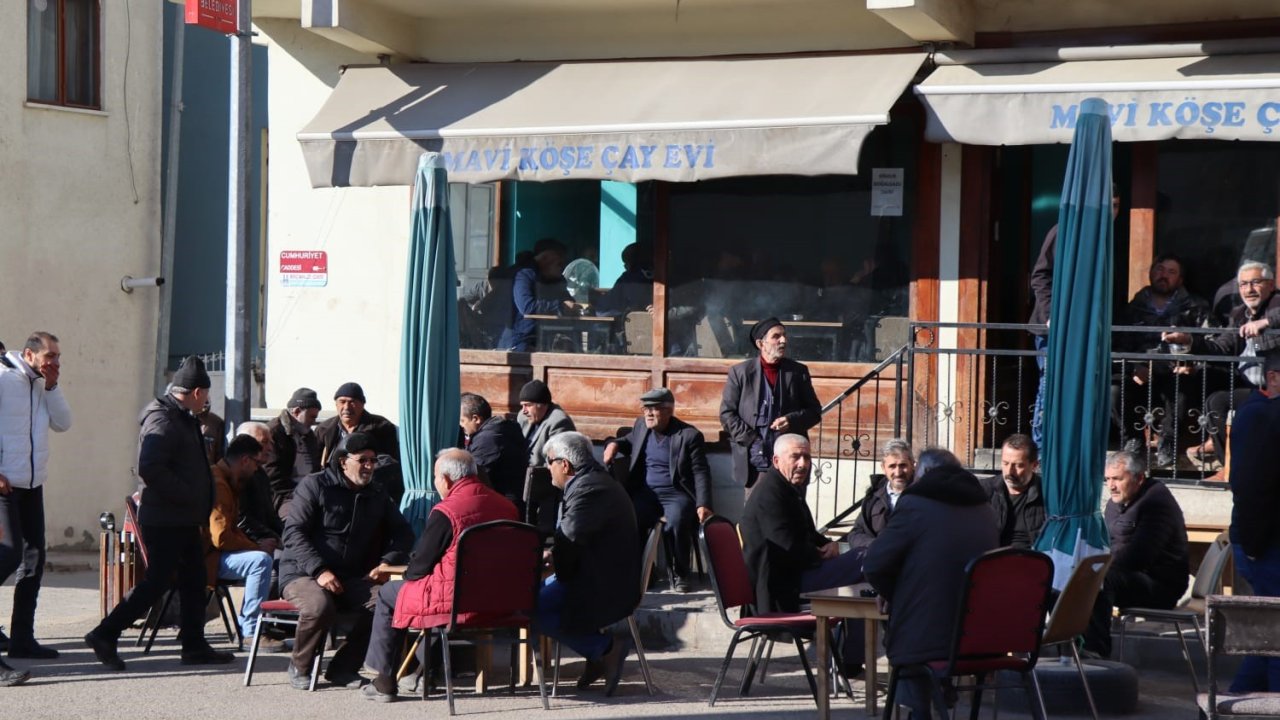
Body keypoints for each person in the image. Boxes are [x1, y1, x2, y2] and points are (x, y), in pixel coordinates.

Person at [85, 356, 235, 671]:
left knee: (195, 580)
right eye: (206, 394)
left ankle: (194, 645)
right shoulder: (164, 419)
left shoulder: (183, 416)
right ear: (196, 392)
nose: (207, 400)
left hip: (183, 518)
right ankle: (105, 633)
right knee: (156, 582)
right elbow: (150, 468)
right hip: (166, 519)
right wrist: (188, 495)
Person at [360, 449, 519, 702]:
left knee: (390, 593)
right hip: (501, 602)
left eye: (435, 477)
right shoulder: (507, 507)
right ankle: (424, 672)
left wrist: (409, 571)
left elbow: (419, 567)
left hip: (456, 601)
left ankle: (384, 680)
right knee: (429, 595)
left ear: (445, 479)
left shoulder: (448, 510)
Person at [862, 449, 1000, 719]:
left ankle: (918, 713)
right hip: (981, 637)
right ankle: (938, 697)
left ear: (922, 474)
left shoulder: (916, 504)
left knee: (910, 630)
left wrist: (893, 593)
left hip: (928, 640)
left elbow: (875, 564)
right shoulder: (985, 508)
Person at [279, 432, 414, 689]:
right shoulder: (315, 485)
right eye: (363, 460)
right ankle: (301, 665)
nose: (369, 466)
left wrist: (386, 563)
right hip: (303, 572)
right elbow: (293, 532)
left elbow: (403, 533)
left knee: (387, 603)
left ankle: (343, 668)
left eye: (373, 461)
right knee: (319, 605)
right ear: (343, 461)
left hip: (351, 576)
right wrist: (319, 570)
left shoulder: (376, 493)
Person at [741, 433, 869, 674]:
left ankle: (852, 660)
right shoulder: (770, 493)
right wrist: (829, 552)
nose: (803, 464)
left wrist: (830, 545)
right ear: (776, 460)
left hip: (797, 574)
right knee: (865, 559)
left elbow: (808, 534)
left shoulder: (788, 488)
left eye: (807, 457)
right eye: (796, 457)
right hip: (783, 587)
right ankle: (859, 658)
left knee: (863, 580)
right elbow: (786, 547)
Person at [536, 432, 638, 695]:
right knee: (532, 595)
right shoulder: (590, 482)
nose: (547, 468)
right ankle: (596, 655)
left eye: (549, 462)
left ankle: (605, 649)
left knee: (530, 608)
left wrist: (548, 562)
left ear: (565, 465)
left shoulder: (589, 489)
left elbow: (569, 542)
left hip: (604, 582)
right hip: (595, 571)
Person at [1164, 261, 1280, 468]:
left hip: (1274, 387)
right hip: (1250, 386)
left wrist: (1266, 323)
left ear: (1271, 285)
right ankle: (1229, 463)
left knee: (1224, 403)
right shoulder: (1238, 314)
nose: (1249, 290)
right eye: (1243, 284)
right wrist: (1189, 340)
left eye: (1255, 283)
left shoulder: (1276, 303)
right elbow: (1221, 347)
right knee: (1205, 387)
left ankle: (1247, 466)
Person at [1030, 186, 1121, 447]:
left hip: (1088, 329)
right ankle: (1042, 447)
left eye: (1115, 207)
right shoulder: (1064, 231)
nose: (1111, 213)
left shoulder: (1106, 238)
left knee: (1082, 389)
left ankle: (1073, 445)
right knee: (1050, 387)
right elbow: (1040, 275)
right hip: (1054, 330)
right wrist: (1051, 315)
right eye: (1107, 206)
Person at [603, 388, 713, 592]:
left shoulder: (688, 435)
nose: (648, 414)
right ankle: (645, 571)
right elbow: (625, 442)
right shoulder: (641, 426)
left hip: (676, 494)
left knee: (677, 520)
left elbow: (701, 471)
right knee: (631, 518)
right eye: (645, 408)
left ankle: (681, 573)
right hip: (646, 493)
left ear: (669, 410)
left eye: (654, 409)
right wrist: (613, 444)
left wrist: (704, 503)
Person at [1083, 450, 1190, 657]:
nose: (1111, 486)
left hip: (1159, 586)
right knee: (1073, 576)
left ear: (1139, 478)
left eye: (1117, 479)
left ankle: (1096, 652)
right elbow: (1107, 543)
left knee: (1101, 579)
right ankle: (1067, 644)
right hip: (1127, 575)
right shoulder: (1116, 502)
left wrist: (1098, 568)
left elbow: (1139, 557)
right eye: (1107, 479)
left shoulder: (1157, 503)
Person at [1110, 254, 1211, 468]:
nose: (1163, 275)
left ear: (1181, 279)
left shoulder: (1196, 307)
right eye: (1159, 269)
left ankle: (1168, 443)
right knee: (1113, 391)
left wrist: (1193, 366)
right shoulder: (1132, 308)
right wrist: (1132, 367)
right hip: (1140, 374)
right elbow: (1115, 346)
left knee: (1181, 387)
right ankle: (1133, 441)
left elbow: (1214, 343)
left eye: (1171, 271)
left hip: (1175, 373)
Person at [1226, 350, 1280, 692]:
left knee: (1267, 639)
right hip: (1264, 543)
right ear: (1273, 377)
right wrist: (1256, 546)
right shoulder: (1259, 415)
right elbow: (1249, 486)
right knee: (1274, 638)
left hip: (1262, 541)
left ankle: (1235, 701)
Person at [719, 317, 822, 491]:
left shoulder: (797, 372)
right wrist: (751, 439)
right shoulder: (740, 373)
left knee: (791, 513)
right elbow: (727, 414)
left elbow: (814, 412)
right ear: (761, 343)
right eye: (776, 336)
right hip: (755, 461)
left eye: (784, 336)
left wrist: (792, 420)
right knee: (758, 513)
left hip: (790, 462)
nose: (783, 340)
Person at [205, 434, 276, 648]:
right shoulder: (219, 484)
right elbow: (221, 537)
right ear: (245, 460)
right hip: (204, 557)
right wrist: (256, 546)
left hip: (209, 553)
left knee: (263, 556)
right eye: (256, 463)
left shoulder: (225, 479)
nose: (257, 469)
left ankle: (253, 625)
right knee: (260, 561)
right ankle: (251, 632)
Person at [494, 239, 579, 352]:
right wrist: (560, 306)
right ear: (545, 258)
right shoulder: (524, 275)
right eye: (559, 263)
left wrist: (574, 307)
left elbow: (567, 300)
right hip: (521, 339)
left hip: (548, 337)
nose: (562, 268)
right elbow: (527, 307)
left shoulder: (557, 280)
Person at [517, 380, 575, 533]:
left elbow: (557, 462)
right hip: (524, 473)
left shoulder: (558, 422)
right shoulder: (523, 417)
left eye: (527, 405)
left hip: (544, 478)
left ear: (542, 405)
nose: (523, 410)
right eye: (522, 405)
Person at [458, 392, 526, 507]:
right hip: (511, 500)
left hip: (503, 505)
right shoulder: (502, 429)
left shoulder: (487, 439)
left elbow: (471, 475)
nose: (461, 426)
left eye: (462, 421)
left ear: (476, 419)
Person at [979, 434, 1046, 549]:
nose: (1010, 471)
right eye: (1005, 463)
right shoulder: (984, 490)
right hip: (991, 559)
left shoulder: (1046, 493)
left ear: (1034, 465)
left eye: (1018, 466)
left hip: (1031, 559)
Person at [847, 439, 915, 550]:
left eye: (903, 465)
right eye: (892, 466)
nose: (898, 473)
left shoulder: (925, 496)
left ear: (912, 465)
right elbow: (855, 534)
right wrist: (877, 546)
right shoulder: (874, 497)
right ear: (883, 468)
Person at [265, 387, 322, 514]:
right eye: (311, 417)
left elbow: (316, 468)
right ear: (296, 412)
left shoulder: (309, 435)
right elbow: (273, 476)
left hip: (310, 491)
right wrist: (299, 494)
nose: (313, 422)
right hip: (284, 497)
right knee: (299, 516)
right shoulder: (273, 432)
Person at [315, 382, 399, 466]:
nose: (347, 407)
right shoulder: (324, 429)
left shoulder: (381, 427)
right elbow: (314, 461)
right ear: (336, 404)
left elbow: (389, 461)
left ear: (362, 404)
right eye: (342, 402)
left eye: (352, 402)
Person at [234, 422, 284, 552]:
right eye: (264, 442)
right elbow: (240, 519)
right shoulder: (236, 475)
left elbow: (269, 515)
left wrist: (288, 535)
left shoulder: (260, 474)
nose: (270, 449)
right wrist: (270, 538)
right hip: (240, 544)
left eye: (270, 443)